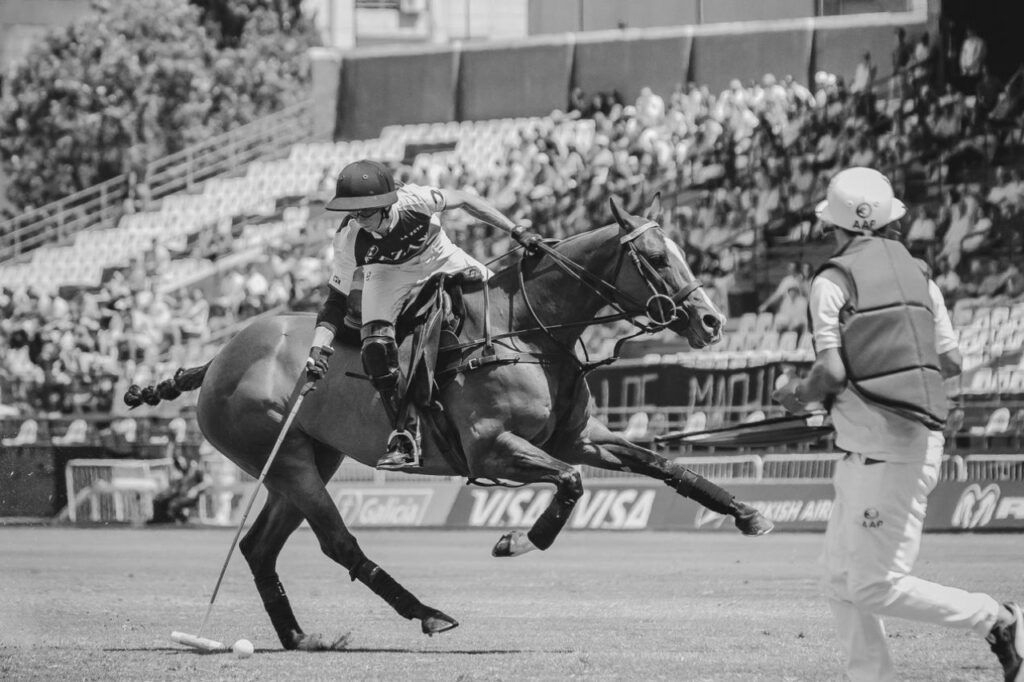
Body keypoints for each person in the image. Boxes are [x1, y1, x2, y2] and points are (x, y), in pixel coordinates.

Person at [772, 166, 1022, 682]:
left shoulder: (831, 281)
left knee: (871, 585)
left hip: (886, 454)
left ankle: (1000, 622)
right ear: (891, 221)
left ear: (831, 225)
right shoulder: (921, 275)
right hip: (896, 443)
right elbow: (950, 362)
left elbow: (832, 370)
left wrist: (795, 395)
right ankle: (871, 675)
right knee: (838, 578)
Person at [305, 159, 541, 470]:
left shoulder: (416, 200)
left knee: (504, 303)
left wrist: (515, 229)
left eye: (365, 210)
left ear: (386, 204)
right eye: (353, 211)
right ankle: (405, 434)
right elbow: (335, 301)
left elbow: (467, 200)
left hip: (439, 255)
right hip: (387, 274)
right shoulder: (350, 238)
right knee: (375, 346)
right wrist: (318, 348)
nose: (358, 218)